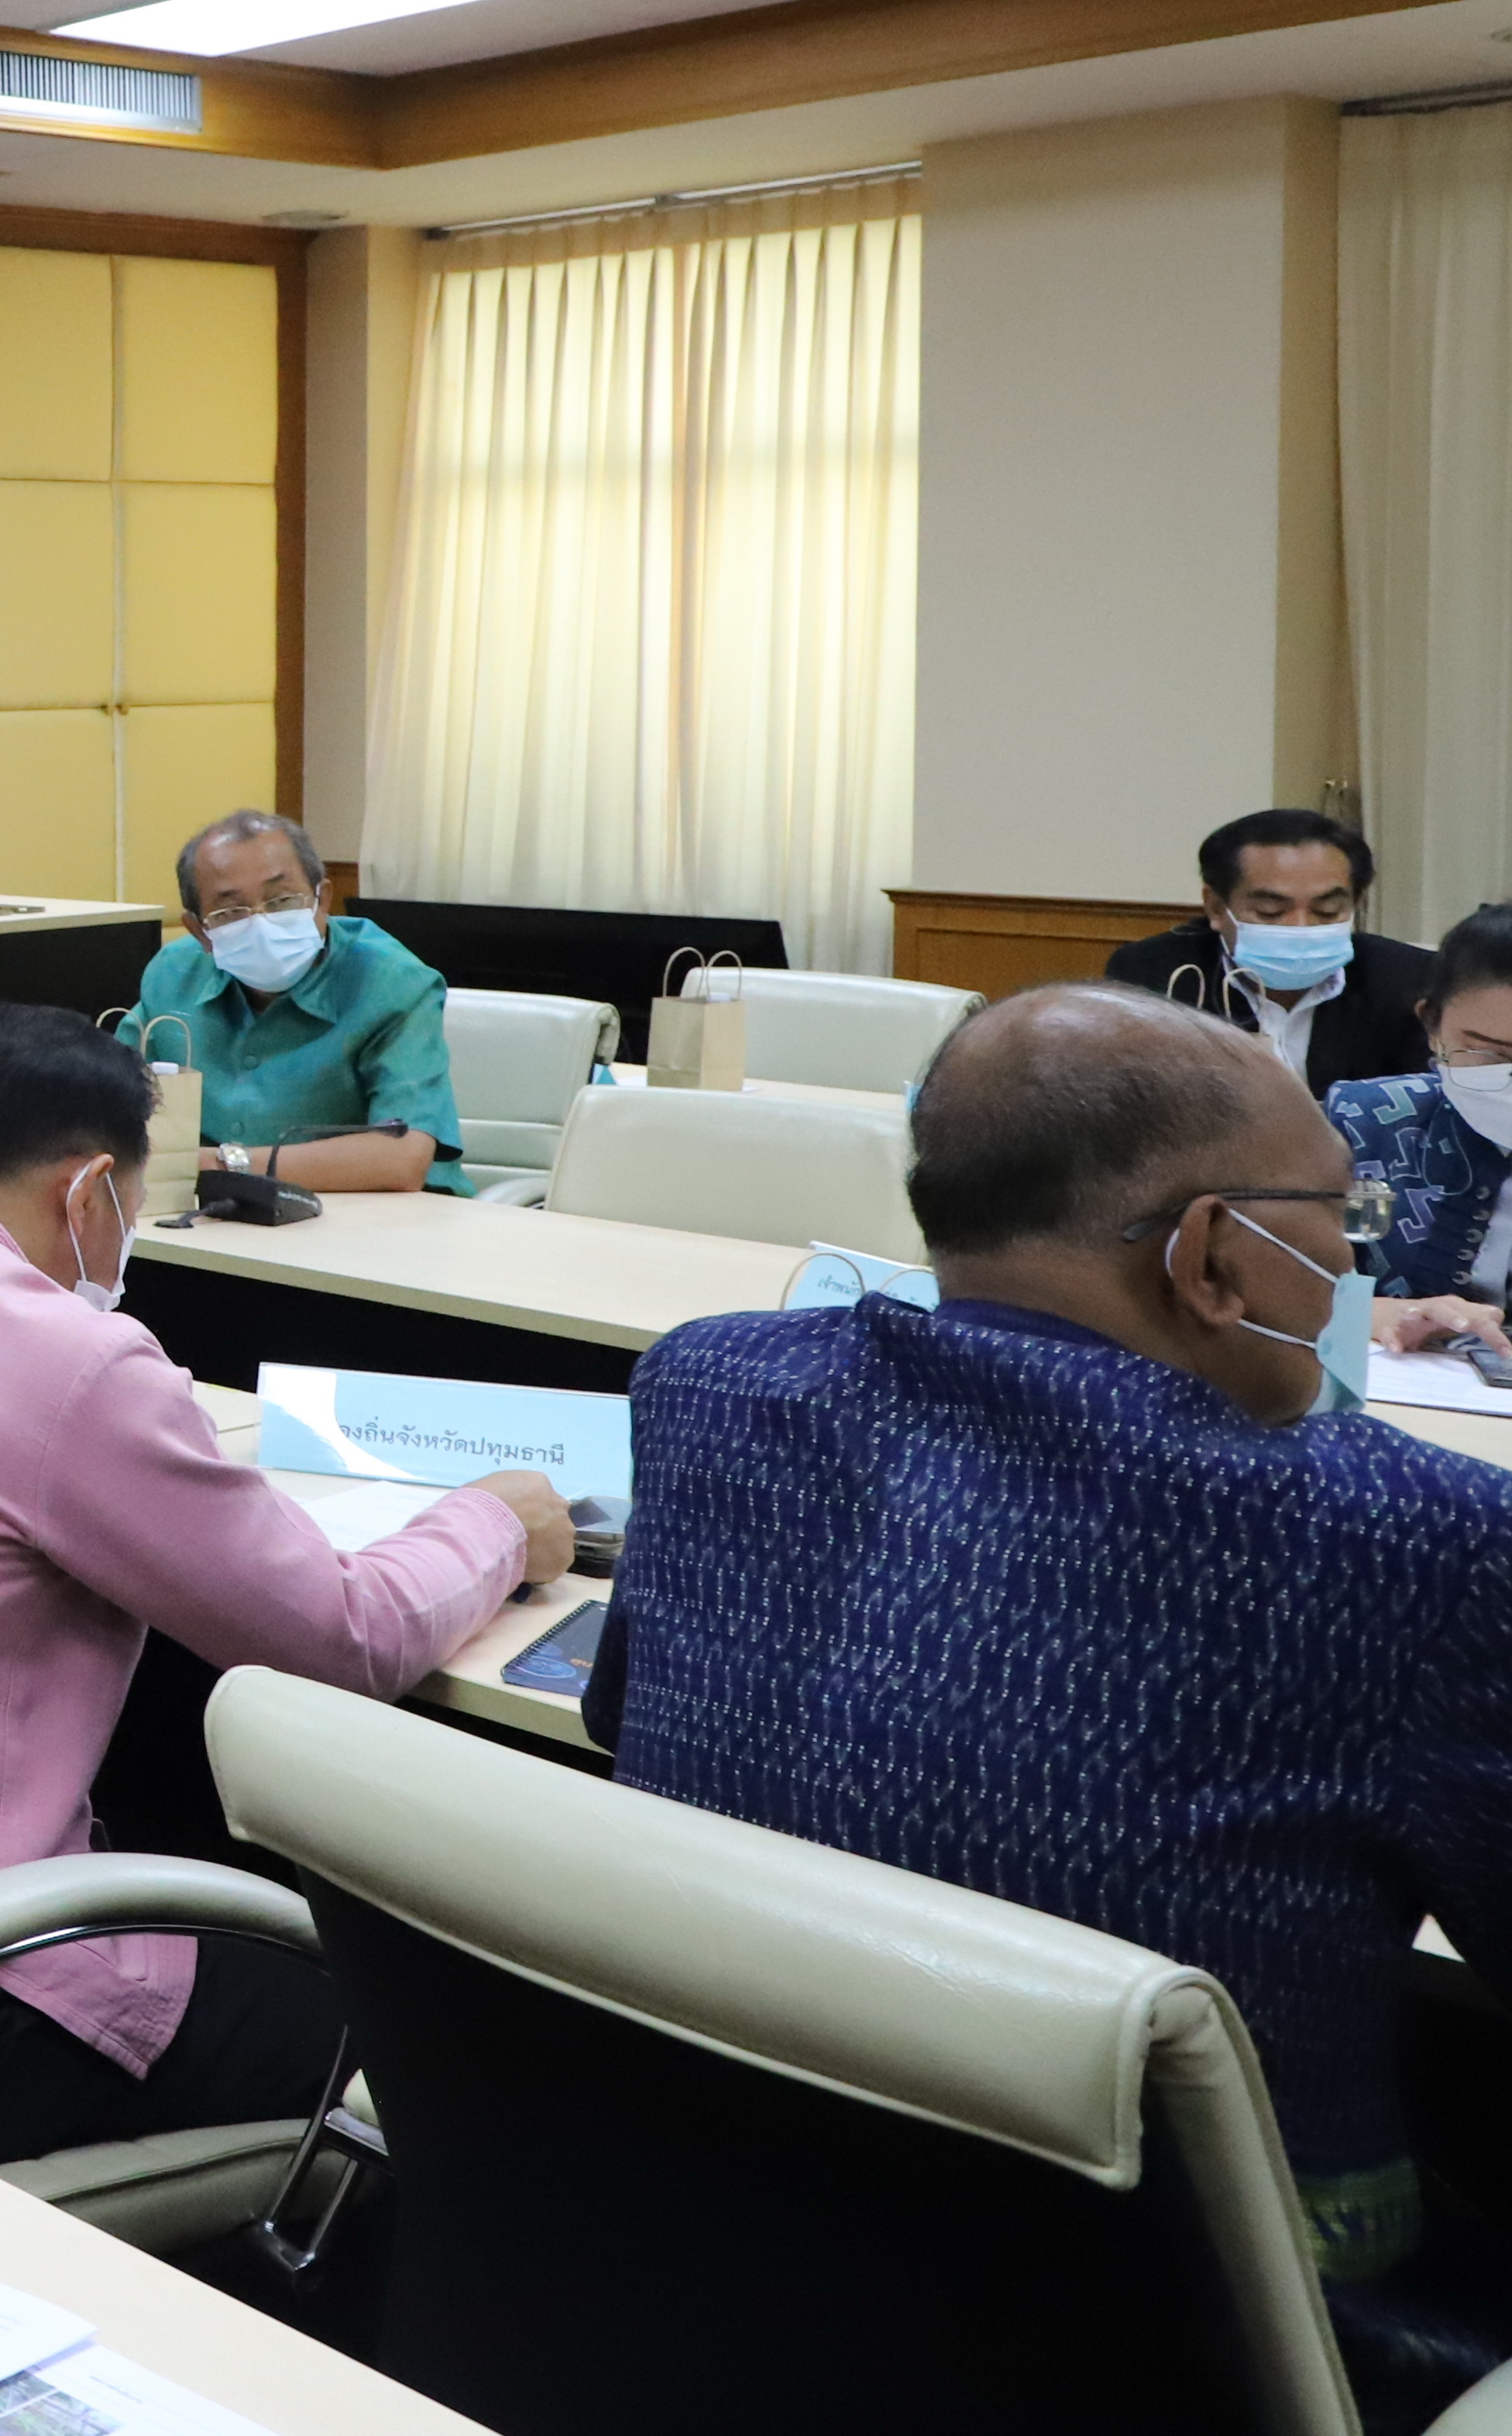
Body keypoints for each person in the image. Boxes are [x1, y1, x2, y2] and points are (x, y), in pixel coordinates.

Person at [594, 984, 1512, 2414]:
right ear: (1215, 1253)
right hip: (1224, 2327)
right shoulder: (1420, 1541)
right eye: (1341, 1219)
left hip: (719, 2230)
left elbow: (617, 1714)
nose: (1348, 1263)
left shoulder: (709, 1381)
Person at [0, 1003, 563, 2162]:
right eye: (133, 1208)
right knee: (457, 2051)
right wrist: (497, 1523)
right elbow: (348, 1636)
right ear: (89, 1195)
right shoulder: (64, 1360)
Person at [114, 809, 455, 1195]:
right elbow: (109, 1111)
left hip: (376, 1218)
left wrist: (216, 1165)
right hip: (213, 1215)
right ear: (199, 930)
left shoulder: (393, 982)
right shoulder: (173, 976)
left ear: (321, 900)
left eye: (282, 900)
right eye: (230, 911)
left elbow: (401, 1159)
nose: (261, 922)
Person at [1106, 807, 1435, 1099]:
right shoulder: (1153, 975)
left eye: (1328, 910)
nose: (1300, 928)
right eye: (1270, 912)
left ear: (1356, 903)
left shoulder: (1408, 979)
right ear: (1217, 908)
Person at [1338, 904, 1512, 1357]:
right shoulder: (1363, 1122)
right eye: (1492, 1055)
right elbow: (1264, 1286)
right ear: (1433, 1026)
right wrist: (1370, 1313)